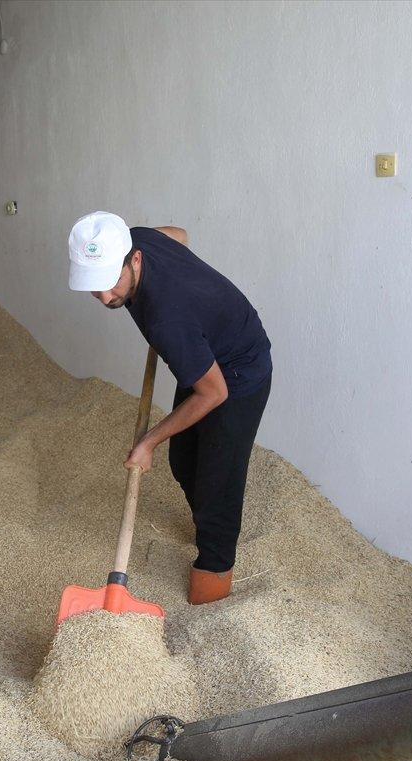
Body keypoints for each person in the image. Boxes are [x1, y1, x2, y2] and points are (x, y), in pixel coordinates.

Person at [67, 212, 272, 605]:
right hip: (202, 359)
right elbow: (179, 235)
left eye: (111, 283)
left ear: (135, 260)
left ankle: (214, 577)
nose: (106, 297)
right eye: (94, 288)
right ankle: (210, 520)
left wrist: (148, 441)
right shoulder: (139, 239)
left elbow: (213, 394)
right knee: (183, 460)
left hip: (238, 372)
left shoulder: (167, 318)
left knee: (217, 483)